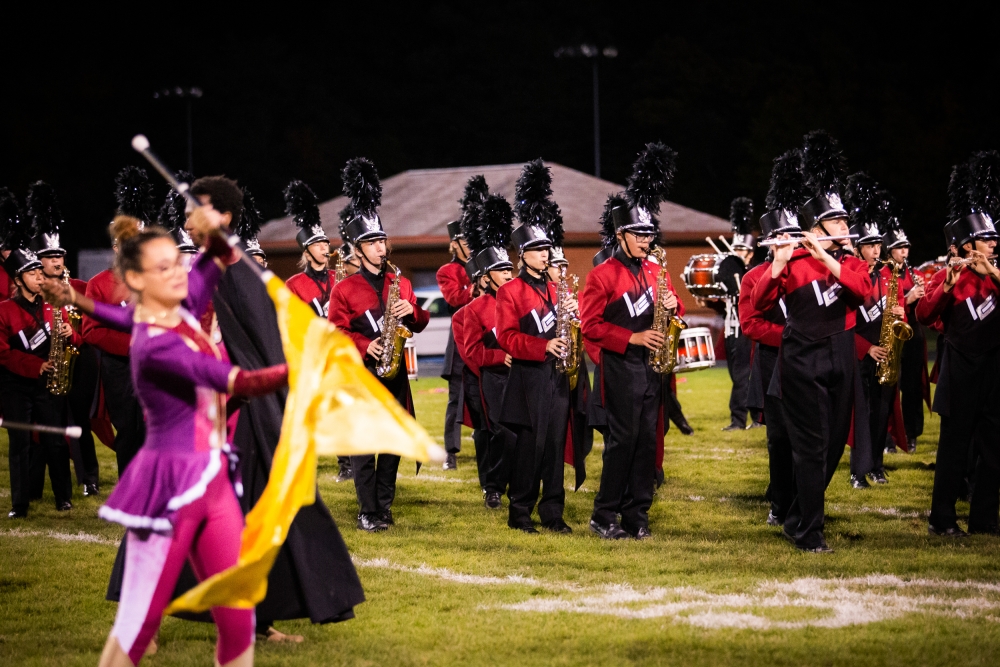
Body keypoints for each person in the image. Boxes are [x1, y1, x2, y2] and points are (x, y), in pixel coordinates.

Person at [47, 210, 285, 667]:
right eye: (164, 267)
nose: (180, 272)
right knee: (137, 627)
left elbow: (216, 256)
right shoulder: (155, 345)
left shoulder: (182, 307)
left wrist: (214, 223)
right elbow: (235, 381)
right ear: (136, 280)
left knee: (238, 617)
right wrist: (304, 367)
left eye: (178, 261)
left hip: (214, 481)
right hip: (169, 489)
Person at [188, 174, 365, 635]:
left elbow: (265, 346)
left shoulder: (237, 267)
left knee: (263, 516)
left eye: (195, 211)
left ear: (222, 216)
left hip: (247, 410)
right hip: (211, 411)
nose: (186, 221)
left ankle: (258, 619)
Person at [751, 130, 872, 553]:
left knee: (834, 445)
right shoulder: (795, 260)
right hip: (801, 358)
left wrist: (828, 259)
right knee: (810, 446)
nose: (846, 228)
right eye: (838, 222)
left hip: (841, 354)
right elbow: (759, 303)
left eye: (845, 222)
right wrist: (777, 264)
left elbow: (863, 292)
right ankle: (809, 531)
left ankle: (798, 516)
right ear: (816, 227)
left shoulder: (853, 263)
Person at [581, 141, 682, 539]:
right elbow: (590, 326)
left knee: (646, 445)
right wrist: (633, 337)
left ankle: (637, 516)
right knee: (622, 444)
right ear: (621, 235)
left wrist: (674, 305)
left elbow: (673, 310)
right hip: (621, 369)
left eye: (649, 233)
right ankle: (603, 515)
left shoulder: (655, 271)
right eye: (639, 234)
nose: (646, 240)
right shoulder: (602, 275)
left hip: (652, 369)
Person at [329, 157, 430, 532]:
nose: (379, 248)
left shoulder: (400, 283)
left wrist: (412, 311)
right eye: (371, 243)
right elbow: (335, 332)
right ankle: (367, 510)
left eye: (381, 241)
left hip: (395, 374)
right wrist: (363, 345)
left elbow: (420, 322)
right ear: (357, 250)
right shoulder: (344, 289)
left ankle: (384, 507)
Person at [916, 154, 1000, 537]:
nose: (994, 243)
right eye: (987, 239)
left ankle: (984, 519)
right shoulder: (946, 277)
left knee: (993, 447)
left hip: (994, 367)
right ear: (966, 246)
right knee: (953, 447)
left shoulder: (996, 272)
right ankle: (942, 519)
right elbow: (923, 314)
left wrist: (992, 272)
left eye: (995, 239)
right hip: (960, 366)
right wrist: (948, 284)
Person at [495, 159, 579, 534]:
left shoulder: (558, 289)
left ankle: (553, 513)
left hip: (556, 378)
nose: (546, 254)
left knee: (556, 445)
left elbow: (569, 327)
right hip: (528, 379)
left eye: (547, 249)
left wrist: (573, 315)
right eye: (538, 249)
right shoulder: (510, 291)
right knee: (530, 448)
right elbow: (506, 337)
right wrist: (544, 346)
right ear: (522, 254)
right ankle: (520, 512)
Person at [739, 149, 805, 527]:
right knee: (780, 438)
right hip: (774, 361)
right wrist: (792, 336)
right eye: (782, 237)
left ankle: (805, 501)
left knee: (809, 436)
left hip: (808, 361)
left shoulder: (809, 270)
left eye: (794, 237)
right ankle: (780, 504)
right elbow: (750, 325)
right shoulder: (753, 277)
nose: (789, 243)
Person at [25, 181, 102, 497]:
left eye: (59, 255)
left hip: (80, 360)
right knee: (44, 422)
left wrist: (76, 334)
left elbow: (94, 322)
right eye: (50, 256)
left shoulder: (81, 287)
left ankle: (89, 478)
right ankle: (38, 484)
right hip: (46, 361)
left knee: (80, 419)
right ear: (38, 261)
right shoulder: (31, 293)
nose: (57, 261)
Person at [281, 180, 354, 483]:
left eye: (326, 243)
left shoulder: (341, 277)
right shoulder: (294, 284)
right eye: (319, 244)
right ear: (306, 249)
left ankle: (347, 463)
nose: (326, 248)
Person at [1, 234, 78, 518]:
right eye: (32, 274)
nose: (39, 278)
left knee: (55, 441)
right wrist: (36, 365)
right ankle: (19, 505)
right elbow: (3, 354)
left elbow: (73, 337)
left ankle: (63, 497)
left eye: (39, 273)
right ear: (19, 280)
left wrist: (71, 334)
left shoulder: (52, 305)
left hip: (48, 383)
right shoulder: (4, 311)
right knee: (20, 443)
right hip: (15, 386)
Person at [84, 167, 154, 475]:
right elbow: (91, 331)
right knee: (128, 431)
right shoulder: (99, 284)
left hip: (156, 364)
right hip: (120, 367)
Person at [459, 193, 517, 509]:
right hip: (495, 380)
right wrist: (499, 357)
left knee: (522, 434)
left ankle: (518, 485)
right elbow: (472, 352)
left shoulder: (521, 300)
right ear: (487, 276)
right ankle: (493, 486)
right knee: (502, 433)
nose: (508, 274)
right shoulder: (474, 309)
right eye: (501, 269)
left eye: (510, 268)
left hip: (523, 375)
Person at [845, 173, 898, 488]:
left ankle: (877, 466)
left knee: (881, 413)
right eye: (870, 245)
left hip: (885, 353)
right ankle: (858, 471)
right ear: (857, 248)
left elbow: (893, 309)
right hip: (860, 355)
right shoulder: (850, 274)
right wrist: (866, 348)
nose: (877, 250)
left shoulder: (888, 275)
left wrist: (899, 313)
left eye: (878, 244)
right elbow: (842, 321)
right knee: (861, 416)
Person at [883, 216, 926, 452]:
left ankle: (911, 433)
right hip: (890, 334)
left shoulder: (914, 273)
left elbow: (926, 310)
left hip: (912, 334)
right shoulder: (883, 274)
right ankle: (888, 436)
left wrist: (923, 295)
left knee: (912, 387)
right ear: (889, 251)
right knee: (888, 387)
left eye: (906, 247)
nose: (904, 252)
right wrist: (907, 299)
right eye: (899, 248)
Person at [720, 197, 756, 431]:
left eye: (742, 249)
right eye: (736, 249)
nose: (738, 253)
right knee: (736, 376)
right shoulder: (729, 272)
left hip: (745, 331)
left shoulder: (753, 274)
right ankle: (757, 416)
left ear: (750, 253)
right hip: (730, 330)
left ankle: (738, 420)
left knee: (742, 376)